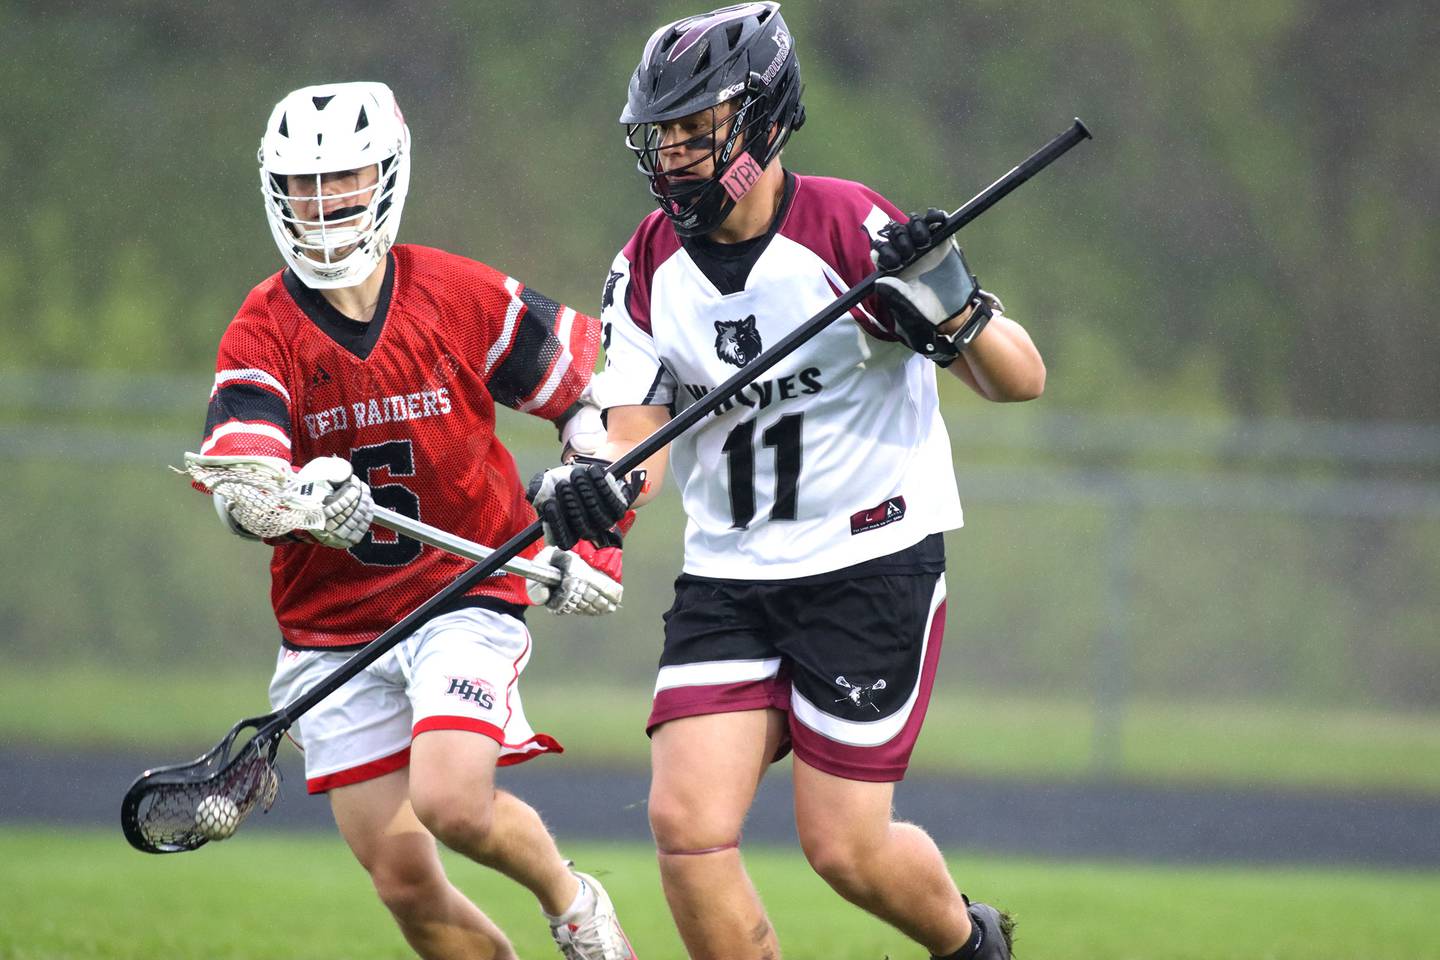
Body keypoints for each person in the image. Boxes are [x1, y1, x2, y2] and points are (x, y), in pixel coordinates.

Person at [529, 5, 1044, 959]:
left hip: (868, 565)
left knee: (844, 848)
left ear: (763, 116)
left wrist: (950, 297)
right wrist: (595, 485)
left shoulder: (850, 227)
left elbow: (1020, 380)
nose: (675, 155)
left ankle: (971, 943)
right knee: (686, 829)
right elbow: (634, 436)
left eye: (697, 129)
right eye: (663, 135)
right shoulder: (647, 262)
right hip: (730, 578)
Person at [198, 80, 637, 960]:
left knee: (451, 799)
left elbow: (596, 396)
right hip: (334, 628)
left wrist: (595, 530)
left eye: (345, 180)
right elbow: (236, 480)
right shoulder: (263, 327)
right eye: (303, 186)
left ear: (388, 176)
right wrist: (293, 502)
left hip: (461, 592)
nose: (324, 206)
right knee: (403, 880)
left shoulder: (454, 294)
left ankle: (574, 904)